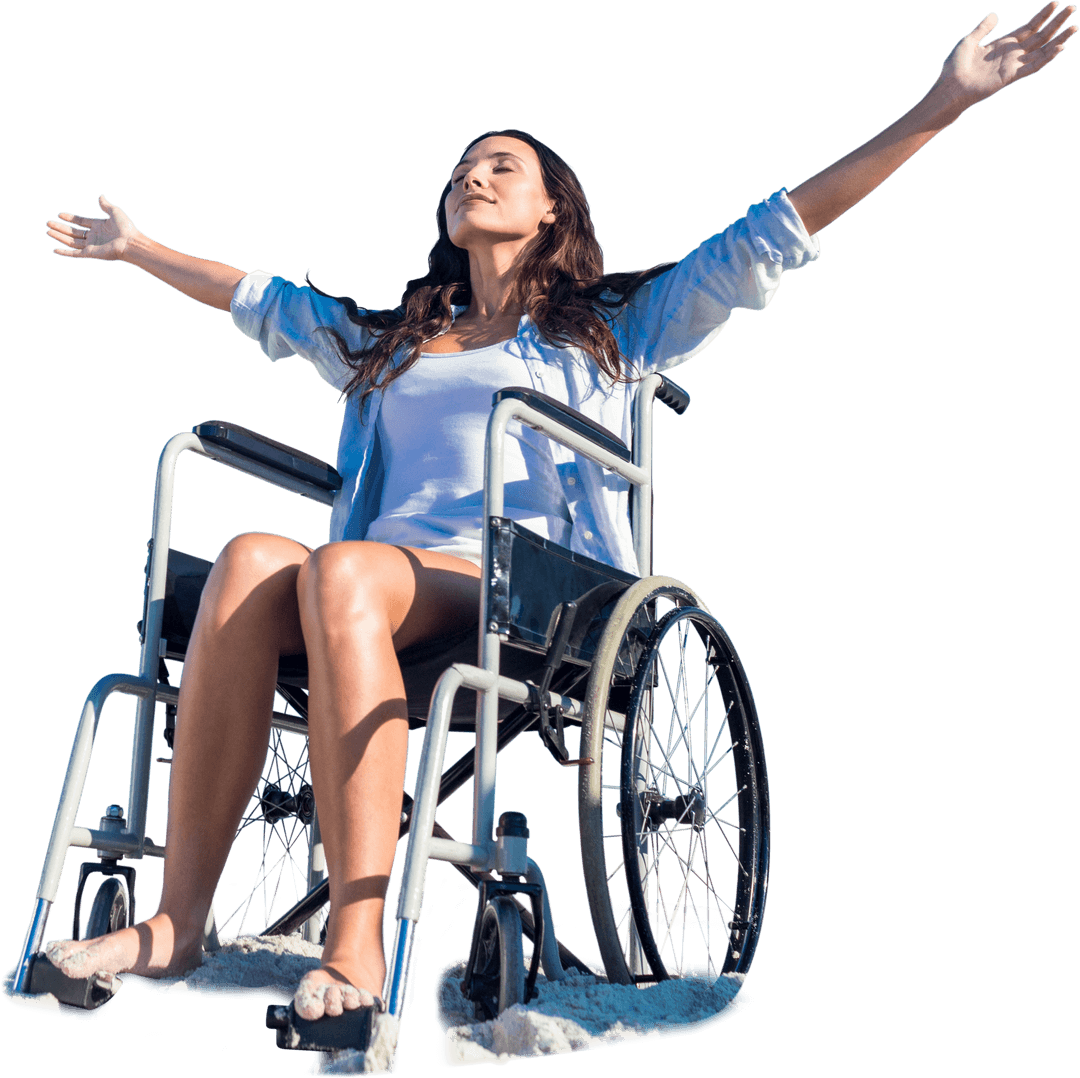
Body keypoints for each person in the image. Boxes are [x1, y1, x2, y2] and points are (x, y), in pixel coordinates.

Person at [40, 4, 1075, 1024]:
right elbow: (255, 297)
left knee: (338, 568)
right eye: (458, 171)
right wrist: (138, 247)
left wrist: (944, 103)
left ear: (550, 209)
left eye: (498, 165)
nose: (470, 177)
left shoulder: (612, 328)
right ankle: (179, 918)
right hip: (373, 578)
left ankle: (353, 943)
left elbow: (781, 228)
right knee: (249, 554)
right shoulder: (390, 340)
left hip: (531, 584)